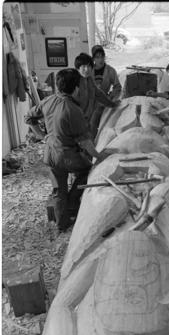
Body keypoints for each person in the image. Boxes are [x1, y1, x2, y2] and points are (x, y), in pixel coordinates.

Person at [25, 68, 110, 232]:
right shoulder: (73, 110)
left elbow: (29, 118)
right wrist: (99, 157)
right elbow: (85, 142)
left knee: (59, 189)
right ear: (76, 88)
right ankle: (72, 203)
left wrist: (43, 136)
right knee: (87, 170)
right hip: (66, 155)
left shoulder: (48, 100)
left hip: (50, 153)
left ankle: (61, 224)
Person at [74, 52, 120, 139]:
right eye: (83, 67)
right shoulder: (73, 82)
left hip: (86, 118)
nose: (86, 69)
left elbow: (99, 95)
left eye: (89, 66)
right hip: (75, 120)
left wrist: (112, 104)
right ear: (77, 68)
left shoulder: (89, 80)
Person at [91, 45, 122, 138]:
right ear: (93, 58)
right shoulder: (89, 69)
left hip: (103, 102)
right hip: (89, 102)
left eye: (102, 56)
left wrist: (110, 96)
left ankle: (93, 145)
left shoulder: (110, 70)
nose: (100, 59)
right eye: (97, 57)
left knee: (94, 122)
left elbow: (117, 86)